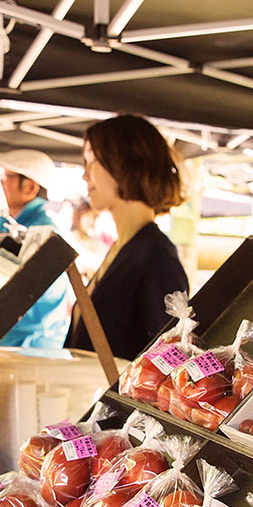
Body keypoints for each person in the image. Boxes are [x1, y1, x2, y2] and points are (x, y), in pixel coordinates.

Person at [64, 114, 191, 361]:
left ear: (125, 163)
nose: (85, 175)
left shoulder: (157, 257)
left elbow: (173, 362)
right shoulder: (122, 249)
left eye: (92, 161)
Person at [0, 148, 72, 350]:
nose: (1, 183)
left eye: (7, 177)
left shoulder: (45, 232)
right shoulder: (5, 223)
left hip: (32, 347)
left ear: (30, 187)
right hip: (5, 341)